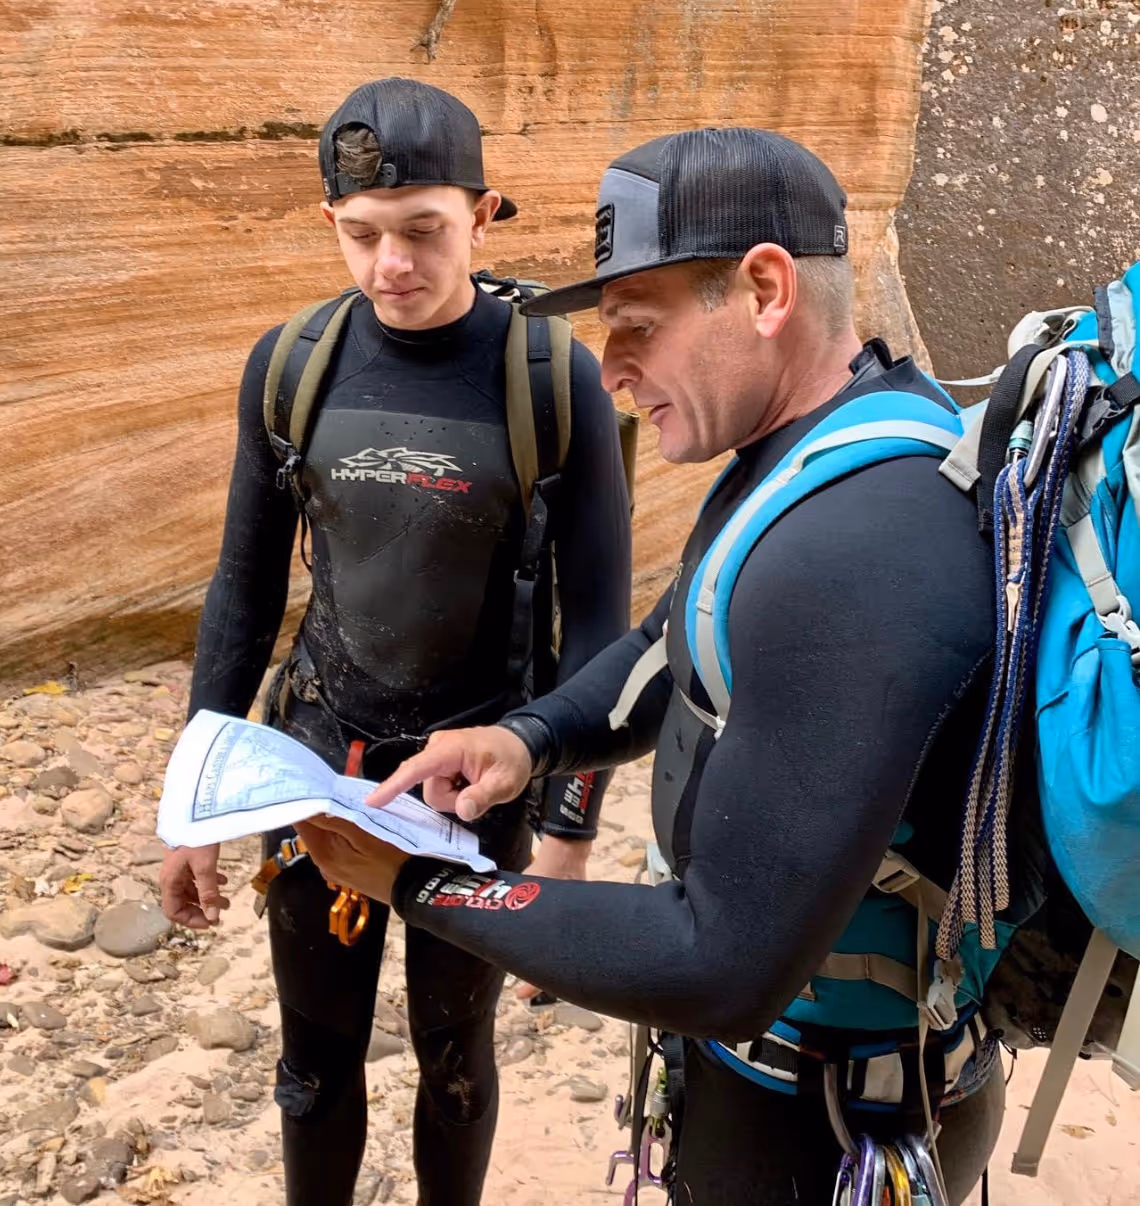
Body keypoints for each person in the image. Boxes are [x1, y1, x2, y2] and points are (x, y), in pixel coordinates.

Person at [294, 127, 1011, 1204]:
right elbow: (662, 647)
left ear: (765, 289)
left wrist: (409, 879)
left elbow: (717, 961)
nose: (611, 370)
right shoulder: (813, 450)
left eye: (635, 329)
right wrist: (526, 738)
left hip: (827, 1131)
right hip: (777, 1087)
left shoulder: (857, 547)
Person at [158, 78, 632, 1206]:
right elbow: (242, 588)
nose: (392, 268)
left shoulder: (550, 377)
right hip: (317, 766)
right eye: (361, 237)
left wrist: (568, 826)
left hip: (478, 787)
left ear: (485, 212)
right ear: (332, 225)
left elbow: (601, 615)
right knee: (313, 1066)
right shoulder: (291, 366)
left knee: (455, 1063)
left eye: (425, 231)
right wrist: (192, 803)